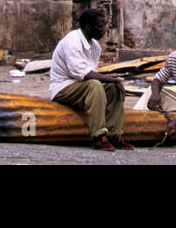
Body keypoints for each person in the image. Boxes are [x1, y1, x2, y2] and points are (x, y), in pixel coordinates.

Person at [49, 9, 131, 150]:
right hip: (62, 88)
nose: (104, 30)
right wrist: (114, 79)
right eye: (100, 26)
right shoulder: (72, 41)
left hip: (79, 86)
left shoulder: (95, 47)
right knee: (94, 85)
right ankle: (98, 136)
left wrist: (113, 82)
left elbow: (89, 73)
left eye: (104, 26)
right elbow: (83, 74)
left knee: (113, 89)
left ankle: (113, 134)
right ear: (88, 27)